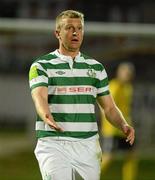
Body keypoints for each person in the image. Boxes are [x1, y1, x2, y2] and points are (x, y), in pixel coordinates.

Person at [29, 10, 135, 180]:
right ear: (57, 33)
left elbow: (108, 107)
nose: (75, 32)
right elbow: (39, 97)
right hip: (53, 142)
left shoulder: (96, 68)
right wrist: (45, 115)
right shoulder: (42, 65)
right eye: (69, 28)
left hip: (88, 144)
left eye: (79, 28)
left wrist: (122, 124)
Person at [100, 62, 137, 180]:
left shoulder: (128, 88)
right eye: (126, 73)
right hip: (112, 129)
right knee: (108, 157)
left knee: (132, 156)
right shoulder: (113, 86)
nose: (128, 75)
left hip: (124, 129)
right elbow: (105, 108)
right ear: (119, 73)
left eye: (130, 73)